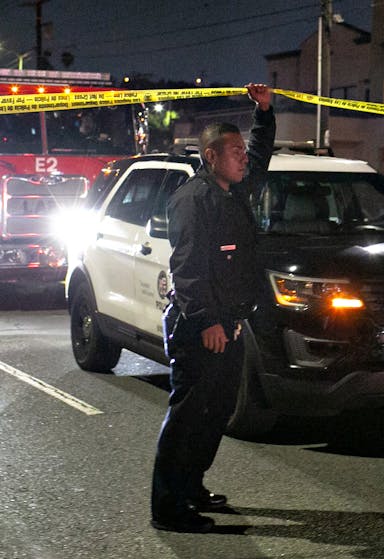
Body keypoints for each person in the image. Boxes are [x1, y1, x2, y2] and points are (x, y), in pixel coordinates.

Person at [150, 84, 275, 533]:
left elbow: (261, 157)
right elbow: (186, 267)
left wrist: (262, 113)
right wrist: (206, 321)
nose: (244, 157)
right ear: (210, 156)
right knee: (188, 415)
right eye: (235, 151)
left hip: (231, 324)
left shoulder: (234, 192)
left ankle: (191, 486)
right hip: (199, 326)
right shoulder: (192, 200)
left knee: (217, 411)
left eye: (243, 150)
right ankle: (168, 505)